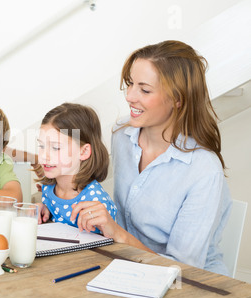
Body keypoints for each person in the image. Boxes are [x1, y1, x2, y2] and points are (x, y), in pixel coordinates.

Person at [72, 40, 232, 275]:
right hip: (127, 264)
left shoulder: (204, 170)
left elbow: (183, 269)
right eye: (130, 84)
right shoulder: (122, 135)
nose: (130, 96)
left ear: (178, 99)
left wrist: (117, 233)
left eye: (144, 90)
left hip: (188, 283)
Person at [36, 103, 117, 233]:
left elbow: (111, 246)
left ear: (83, 152)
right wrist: (45, 210)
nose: (44, 156)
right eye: (41, 146)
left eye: (55, 148)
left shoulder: (97, 201)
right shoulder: (49, 187)